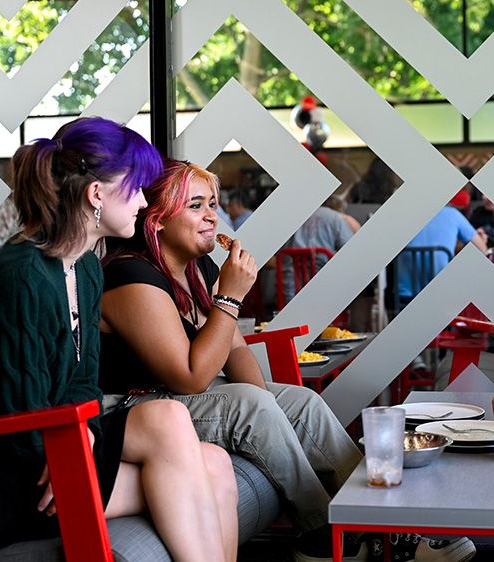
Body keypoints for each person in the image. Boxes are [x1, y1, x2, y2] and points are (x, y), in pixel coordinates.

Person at [98, 159, 474, 562]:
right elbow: (190, 377)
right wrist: (230, 298)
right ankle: (321, 536)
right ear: (156, 220)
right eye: (196, 206)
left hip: (182, 397)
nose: (212, 216)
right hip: (137, 407)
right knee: (254, 405)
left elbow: (236, 348)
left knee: (302, 404)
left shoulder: (196, 267)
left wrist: (270, 412)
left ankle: (389, 523)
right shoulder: (131, 277)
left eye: (212, 203)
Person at [0, 118, 238, 562]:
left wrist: (87, 436)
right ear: (96, 195)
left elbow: (81, 386)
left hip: (61, 448)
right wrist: (69, 453)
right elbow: (19, 421)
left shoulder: (87, 270)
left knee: (216, 462)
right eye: (136, 188)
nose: (143, 201)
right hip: (10, 480)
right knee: (170, 421)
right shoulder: (17, 277)